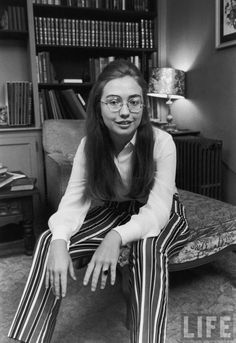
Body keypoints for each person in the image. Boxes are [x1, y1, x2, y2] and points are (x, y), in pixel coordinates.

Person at [8, 59, 189, 343]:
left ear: (143, 106)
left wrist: (115, 237)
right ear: (98, 107)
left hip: (162, 212)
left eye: (134, 102)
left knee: (148, 247)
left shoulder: (162, 142)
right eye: (114, 102)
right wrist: (59, 241)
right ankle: (30, 337)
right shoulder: (88, 146)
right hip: (117, 209)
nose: (125, 112)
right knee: (48, 240)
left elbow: (157, 211)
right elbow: (75, 201)